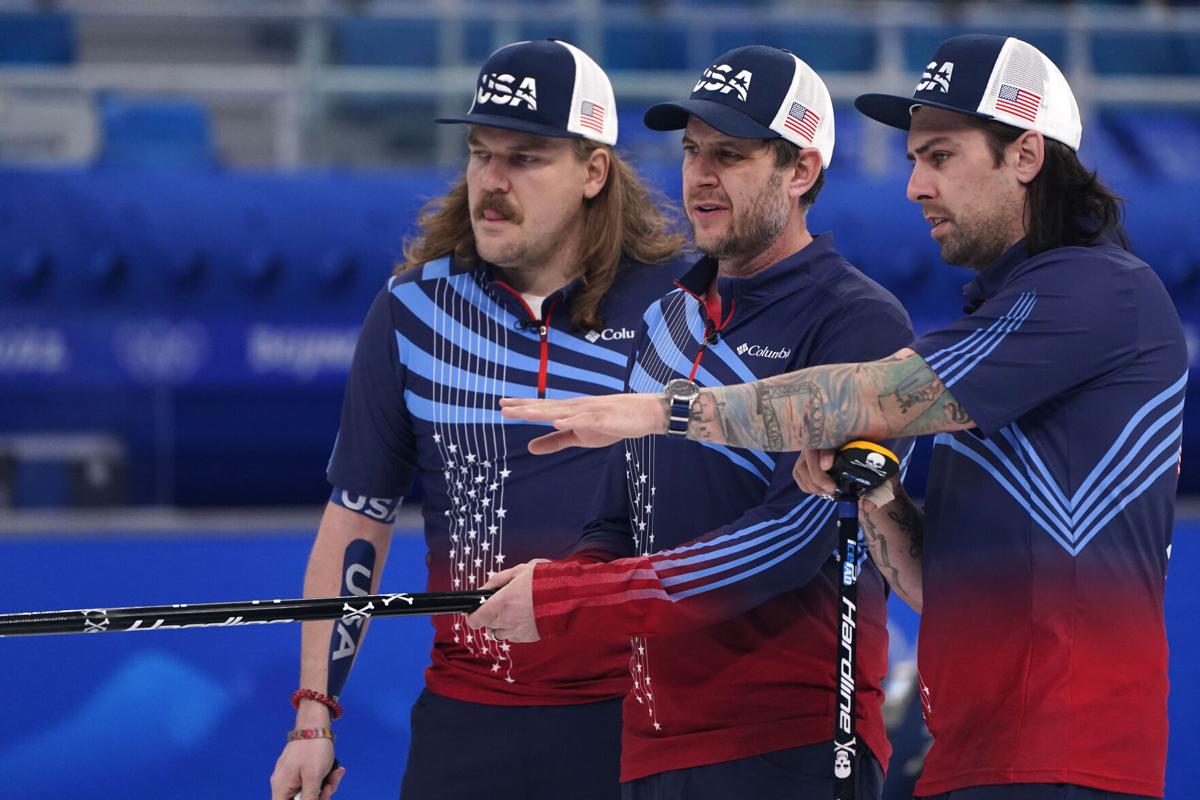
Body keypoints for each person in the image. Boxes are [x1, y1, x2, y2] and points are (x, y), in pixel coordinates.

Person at [492, 34, 1186, 800]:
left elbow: (875, 397)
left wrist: (664, 411)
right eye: (915, 159)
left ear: (1026, 155)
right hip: (969, 755)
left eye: (941, 157)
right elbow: (932, 588)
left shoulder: (1098, 292)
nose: (915, 185)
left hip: (1062, 759)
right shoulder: (999, 321)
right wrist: (878, 502)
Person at [469, 45, 913, 800]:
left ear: (800, 171)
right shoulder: (668, 318)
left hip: (792, 743)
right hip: (652, 746)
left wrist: (574, 604)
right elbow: (618, 525)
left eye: (730, 155)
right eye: (692, 151)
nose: (700, 175)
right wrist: (552, 585)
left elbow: (790, 541)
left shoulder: (858, 322)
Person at [268, 38, 687, 800]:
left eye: (525, 158)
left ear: (595, 172)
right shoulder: (412, 310)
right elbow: (357, 518)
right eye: (479, 152)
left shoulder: (682, 307)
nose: (491, 182)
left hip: (644, 719)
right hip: (468, 724)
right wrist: (312, 720)